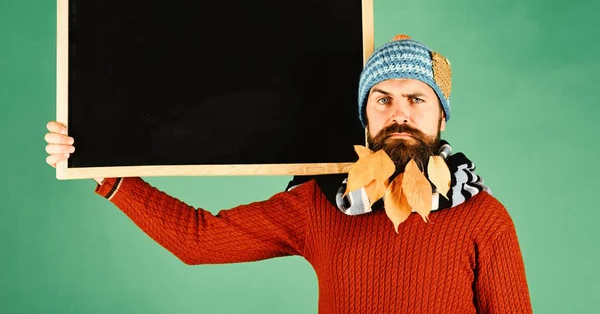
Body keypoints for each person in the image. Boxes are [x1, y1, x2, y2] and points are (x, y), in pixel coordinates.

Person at [45, 35, 532, 313]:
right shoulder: (319, 204)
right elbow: (199, 240)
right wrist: (108, 172)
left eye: (416, 99)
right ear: (365, 116)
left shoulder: (485, 218)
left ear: (441, 115)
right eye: (382, 100)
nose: (399, 113)